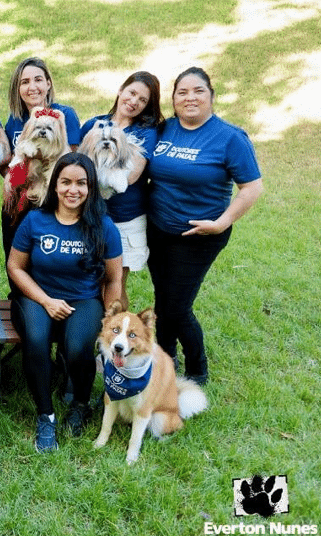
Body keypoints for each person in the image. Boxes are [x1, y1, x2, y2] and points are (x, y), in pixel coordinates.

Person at [147, 67, 262, 386]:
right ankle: (166, 357)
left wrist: (222, 222)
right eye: (182, 92)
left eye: (198, 90)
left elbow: (252, 187)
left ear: (211, 95)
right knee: (164, 298)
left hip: (200, 236)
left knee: (176, 306)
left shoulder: (229, 137)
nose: (190, 97)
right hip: (158, 230)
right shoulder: (166, 129)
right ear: (173, 100)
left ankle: (197, 369)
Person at [7, 152, 122, 452]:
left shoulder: (104, 226)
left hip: (83, 299)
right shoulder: (35, 220)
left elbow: (113, 279)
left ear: (91, 187)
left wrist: (111, 319)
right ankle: (46, 415)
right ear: (54, 185)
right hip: (36, 295)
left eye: (81, 183)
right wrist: (46, 300)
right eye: (66, 182)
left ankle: (80, 404)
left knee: (76, 348)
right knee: (36, 338)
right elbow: (15, 267)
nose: (73, 190)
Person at [80, 71, 163, 309]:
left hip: (126, 218)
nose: (134, 101)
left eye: (143, 100)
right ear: (121, 90)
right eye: (132, 92)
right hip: (91, 216)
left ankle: (113, 337)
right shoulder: (93, 124)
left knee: (115, 282)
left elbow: (131, 175)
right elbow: (75, 165)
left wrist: (94, 179)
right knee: (88, 279)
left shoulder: (145, 132)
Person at [2, 57, 82, 276]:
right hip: (18, 199)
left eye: (38, 80)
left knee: (44, 257)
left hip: (49, 199)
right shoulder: (15, 120)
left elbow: (72, 161)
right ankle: (17, 298)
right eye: (25, 82)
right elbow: (9, 161)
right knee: (15, 255)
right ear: (18, 89)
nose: (32, 87)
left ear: (48, 83)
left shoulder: (64, 114)